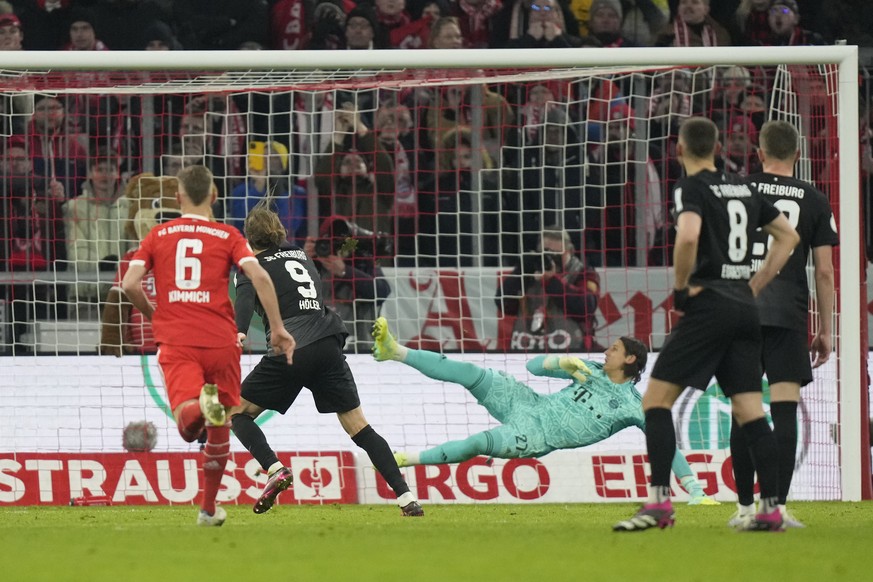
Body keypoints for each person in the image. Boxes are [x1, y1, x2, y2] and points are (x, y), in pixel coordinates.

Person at [612, 117, 799, 533]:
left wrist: (680, 286)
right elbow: (788, 237)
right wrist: (755, 284)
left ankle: (660, 504)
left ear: (679, 150)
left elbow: (689, 236)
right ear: (717, 148)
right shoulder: (743, 186)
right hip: (744, 307)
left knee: (655, 403)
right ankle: (770, 510)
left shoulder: (690, 187)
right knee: (751, 411)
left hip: (709, 303)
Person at [371, 317, 718, 505]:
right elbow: (533, 367)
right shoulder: (589, 368)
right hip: (528, 404)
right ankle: (394, 351)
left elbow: (665, 443)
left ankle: (405, 459)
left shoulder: (634, 405)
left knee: (479, 442)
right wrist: (562, 361)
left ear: (630, 360)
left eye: (614, 349)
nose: (606, 352)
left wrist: (694, 488)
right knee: (468, 372)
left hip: (537, 436)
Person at [120, 165, 295, 527]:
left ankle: (201, 405)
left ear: (178, 197)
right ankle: (209, 508)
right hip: (222, 341)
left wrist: (155, 315)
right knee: (222, 423)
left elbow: (130, 284)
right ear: (214, 197)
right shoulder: (228, 234)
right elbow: (259, 276)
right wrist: (276, 328)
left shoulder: (158, 234)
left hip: (179, 339)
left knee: (188, 425)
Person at [229, 204, 424, 517]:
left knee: (237, 412)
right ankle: (407, 498)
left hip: (291, 347)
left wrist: (239, 332)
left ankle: (275, 469)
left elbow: (245, 301)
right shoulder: (301, 256)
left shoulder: (251, 266)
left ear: (249, 237)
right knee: (360, 427)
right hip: (328, 341)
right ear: (278, 232)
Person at [729, 120, 838, 529]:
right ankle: (774, 508)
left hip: (740, 311)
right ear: (798, 153)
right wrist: (825, 329)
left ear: (758, 153)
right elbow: (825, 272)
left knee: (744, 411)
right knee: (785, 411)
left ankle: (742, 510)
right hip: (788, 315)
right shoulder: (814, 198)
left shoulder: (737, 190)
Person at [496, 228, 600, 352]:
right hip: (527, 350)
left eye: (557, 254)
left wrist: (551, 281)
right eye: (546, 253)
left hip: (572, 352)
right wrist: (520, 271)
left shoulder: (583, 273)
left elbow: (586, 306)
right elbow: (503, 304)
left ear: (570, 251)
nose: (552, 259)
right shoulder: (529, 272)